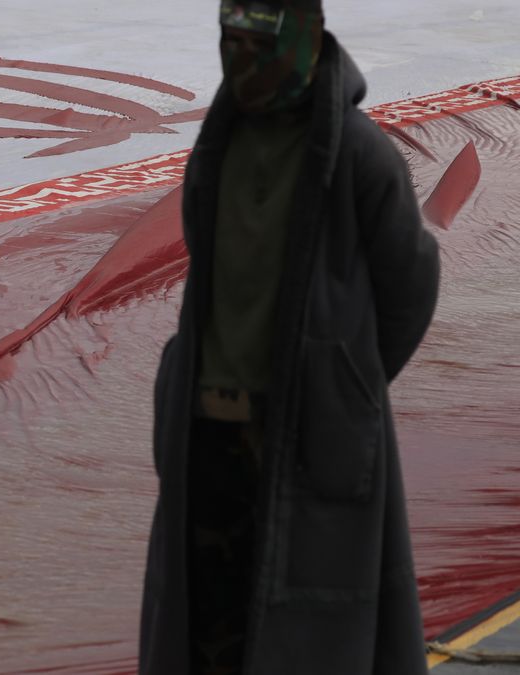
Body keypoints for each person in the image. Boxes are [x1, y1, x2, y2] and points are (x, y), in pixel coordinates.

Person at [138, 0, 441, 673]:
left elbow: (410, 282)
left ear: (302, 42)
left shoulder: (359, 152)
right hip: (209, 427)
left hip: (306, 438)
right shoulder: (220, 145)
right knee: (212, 621)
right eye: (232, 43)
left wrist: (339, 379)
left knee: (305, 630)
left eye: (258, 46)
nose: (241, 62)